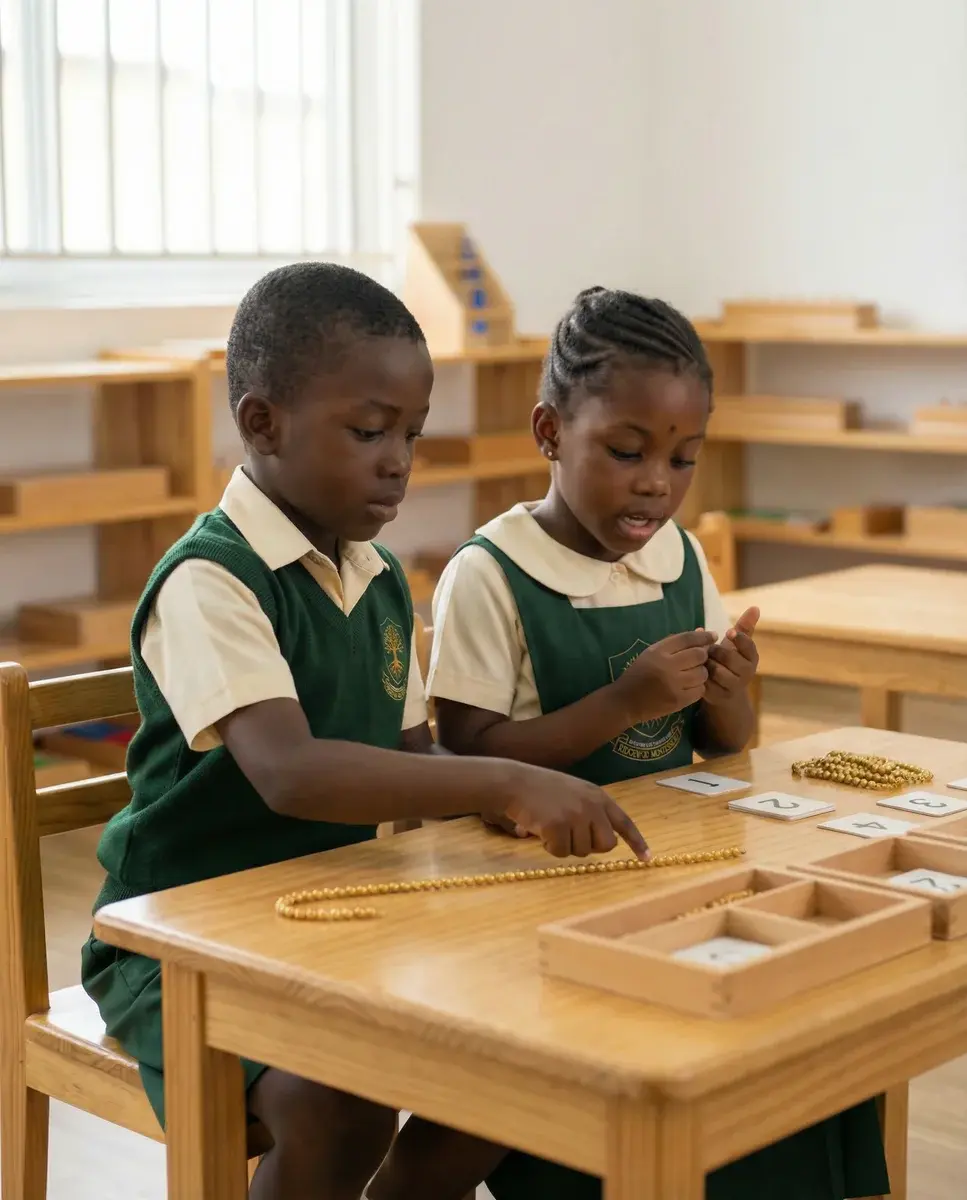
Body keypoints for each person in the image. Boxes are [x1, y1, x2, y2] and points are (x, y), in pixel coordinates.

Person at [79, 264, 650, 1200]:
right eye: (369, 430)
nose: (398, 461)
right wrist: (499, 782)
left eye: (411, 435)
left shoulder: (378, 579)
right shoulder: (211, 580)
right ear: (262, 423)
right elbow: (291, 773)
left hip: (330, 917)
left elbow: (410, 759)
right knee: (336, 1102)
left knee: (509, 1052)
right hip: (172, 943)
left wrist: (502, 815)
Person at [424, 287, 890, 1200]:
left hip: (665, 862)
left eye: (683, 459)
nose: (655, 484)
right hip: (530, 892)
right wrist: (626, 700)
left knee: (800, 1014)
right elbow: (470, 761)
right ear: (550, 432)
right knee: (647, 1061)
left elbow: (727, 748)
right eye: (626, 452)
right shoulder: (488, 575)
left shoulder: (678, 556)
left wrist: (729, 690)